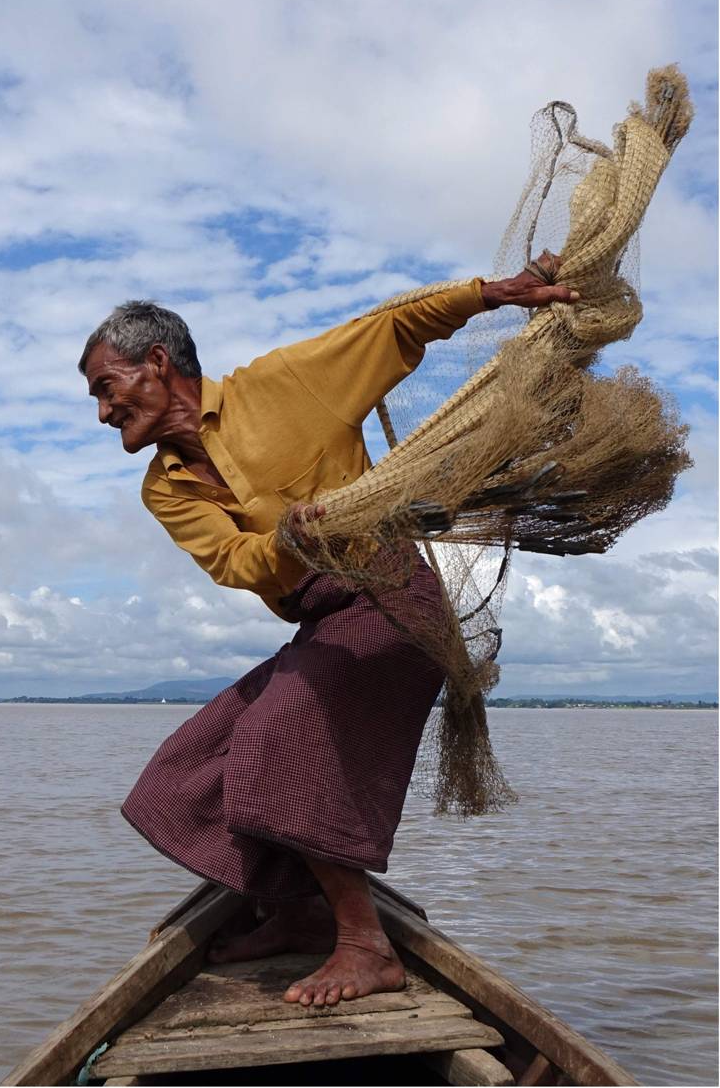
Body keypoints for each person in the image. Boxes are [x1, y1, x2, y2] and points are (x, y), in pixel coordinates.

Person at [79, 254, 576, 1007]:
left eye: (105, 389)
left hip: (391, 596)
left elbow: (391, 329)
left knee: (279, 733)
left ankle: (365, 943)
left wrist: (493, 294)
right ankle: (297, 912)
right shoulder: (165, 487)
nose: (102, 412)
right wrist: (287, 538)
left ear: (156, 364)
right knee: (187, 768)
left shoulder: (280, 384)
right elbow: (236, 561)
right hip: (322, 617)